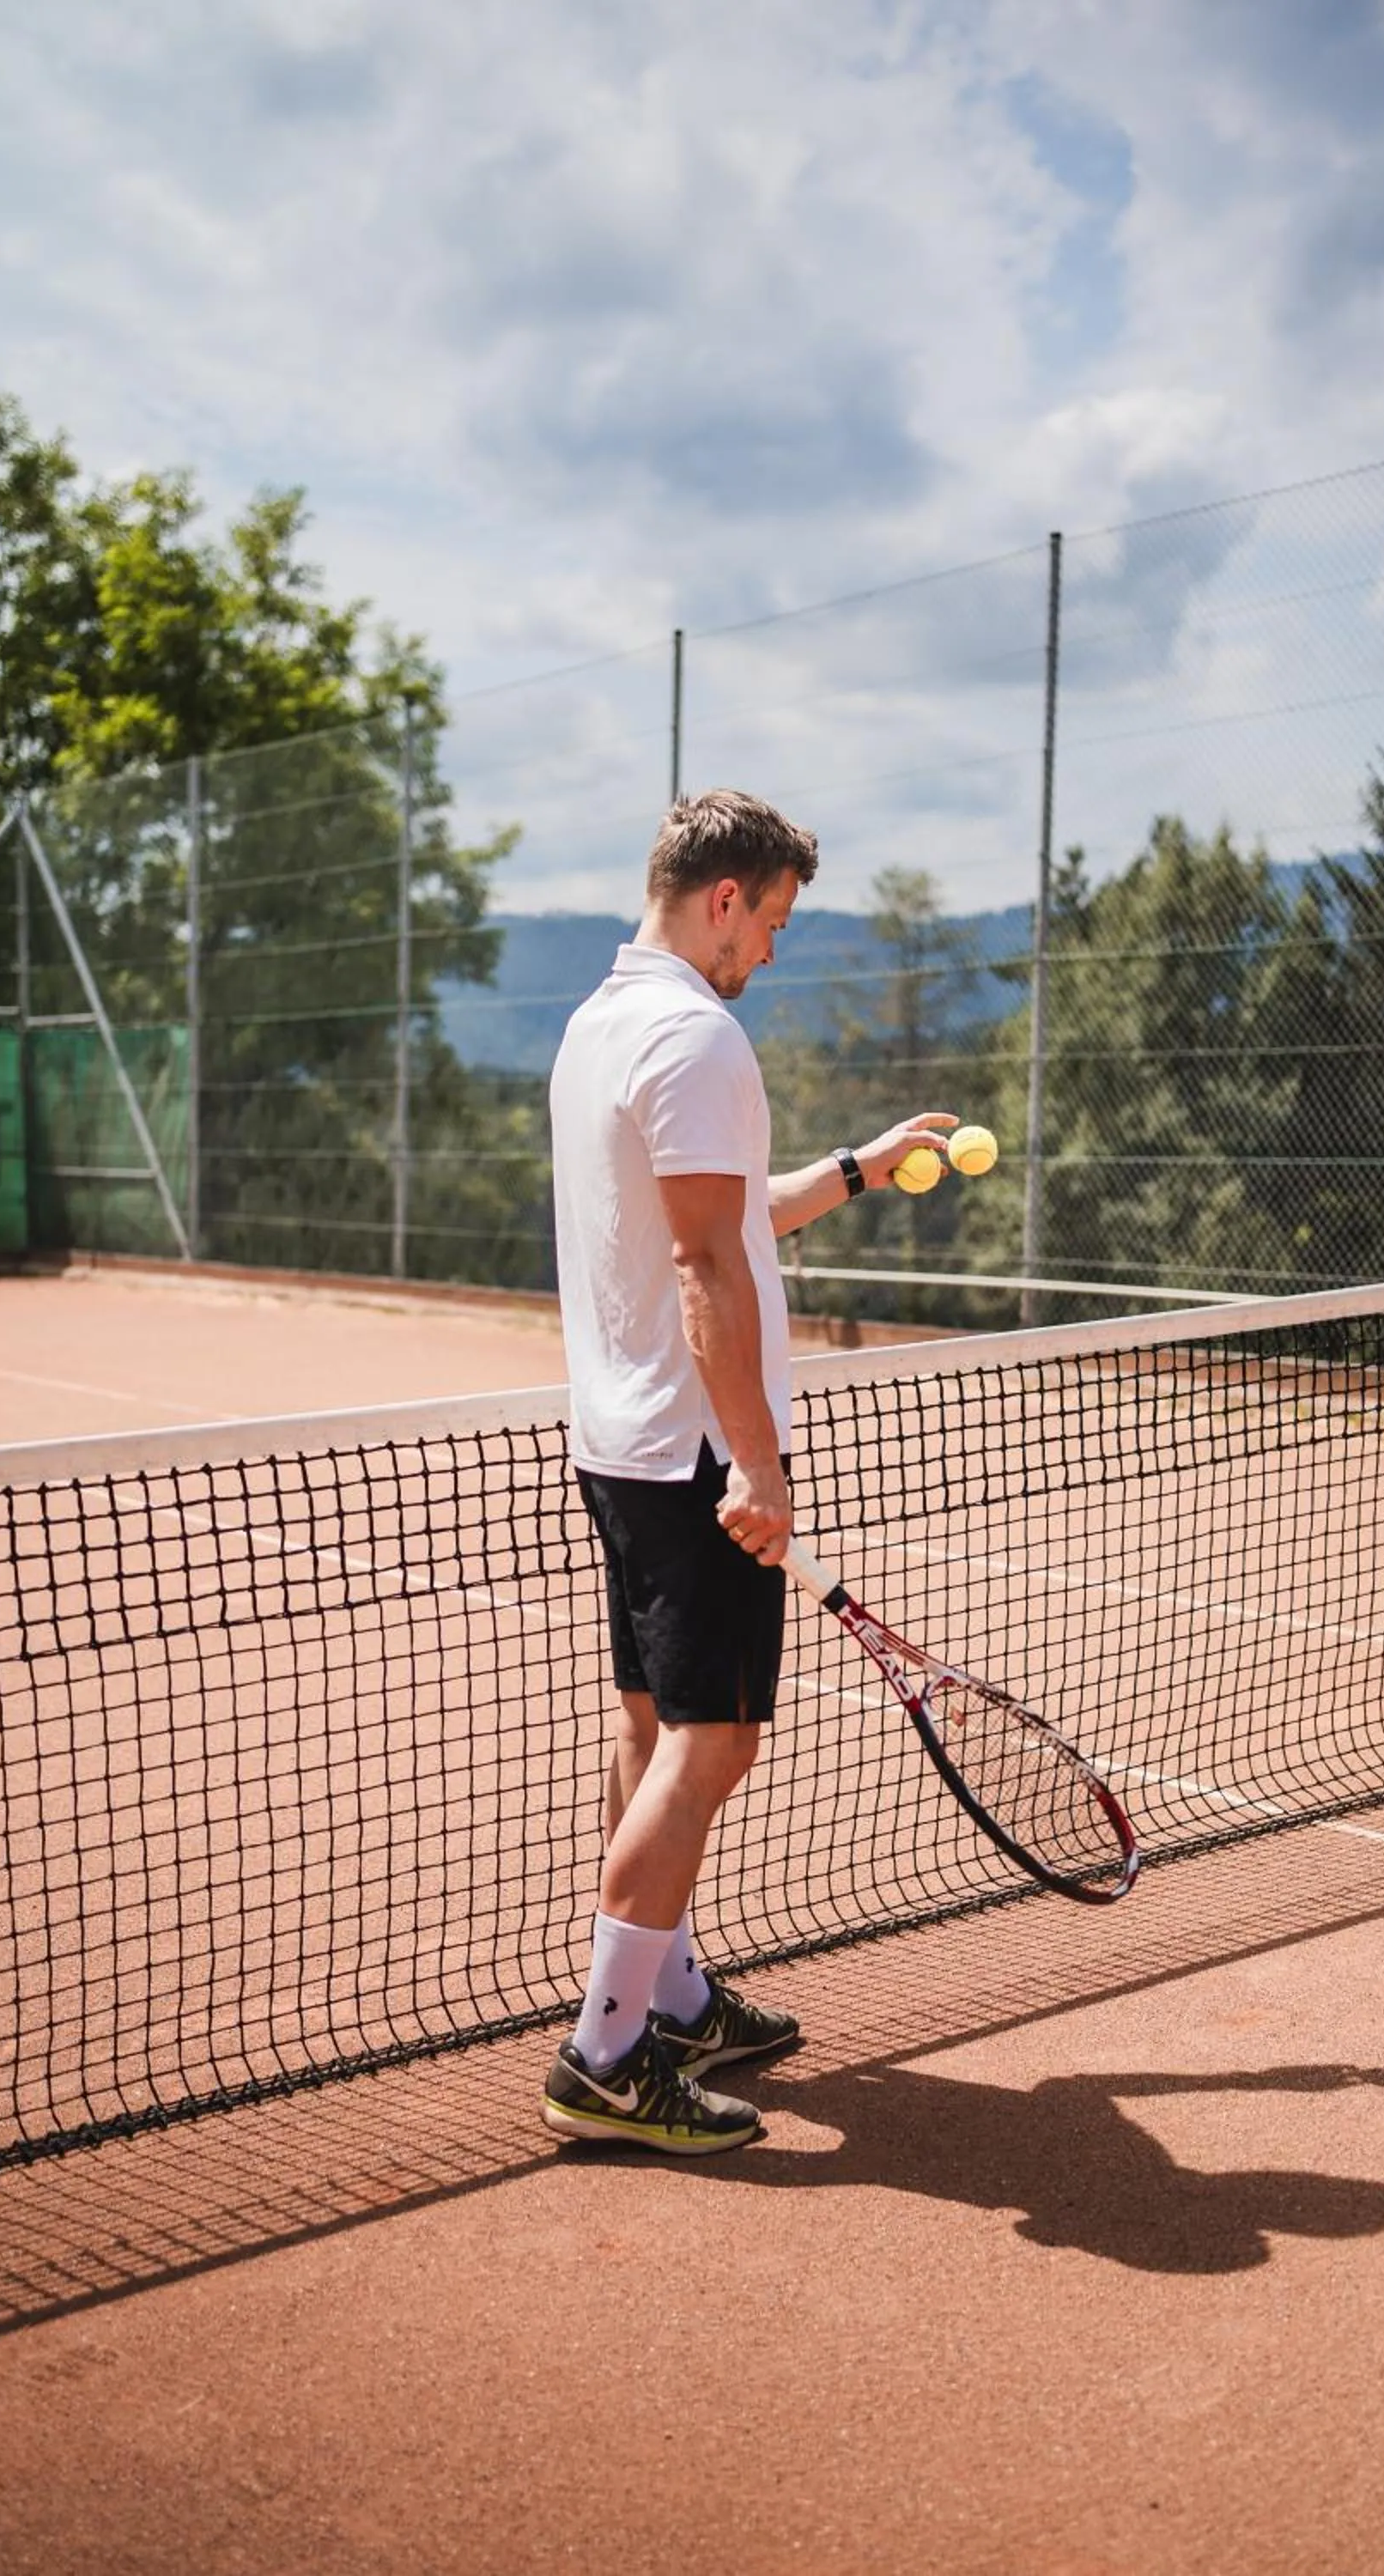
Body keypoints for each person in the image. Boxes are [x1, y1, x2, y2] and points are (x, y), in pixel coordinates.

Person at [542, 788, 956, 2154]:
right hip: (696, 1457)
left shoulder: (603, 1025)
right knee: (715, 1740)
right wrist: (760, 1469)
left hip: (620, 1444)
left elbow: (723, 1214)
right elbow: (705, 1264)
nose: (771, 953)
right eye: (770, 923)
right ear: (724, 899)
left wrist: (859, 1164)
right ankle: (606, 2054)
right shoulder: (697, 1037)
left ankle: (666, 1994)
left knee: (654, 1728)